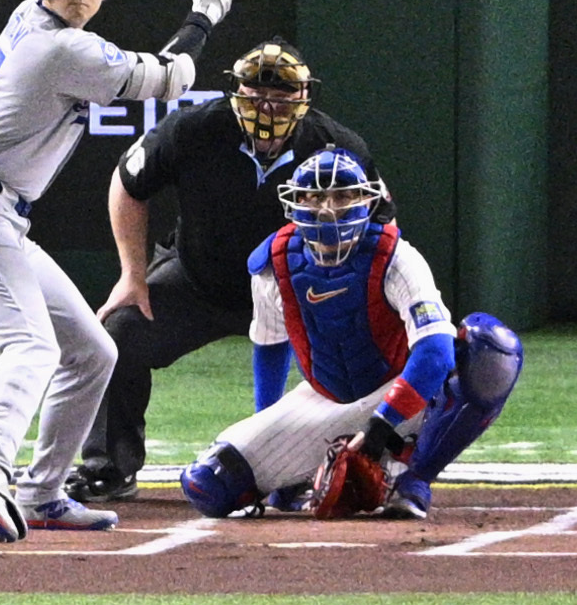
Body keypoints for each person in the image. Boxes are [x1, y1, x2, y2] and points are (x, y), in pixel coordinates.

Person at [0, 0, 233, 541]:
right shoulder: (64, 52)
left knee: (93, 351)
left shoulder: (28, 17)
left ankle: (42, 492)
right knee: (32, 346)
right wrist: (205, 12)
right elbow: (173, 76)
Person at [68, 40, 375, 507]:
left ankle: (302, 469)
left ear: (305, 97)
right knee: (119, 332)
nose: (267, 105)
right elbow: (128, 184)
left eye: (282, 94)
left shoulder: (335, 145)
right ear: (235, 91)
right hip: (198, 280)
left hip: (298, 289)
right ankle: (108, 466)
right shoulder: (196, 128)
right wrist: (132, 275)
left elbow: (379, 220)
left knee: (351, 361)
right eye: (255, 92)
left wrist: (351, 297)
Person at [178, 147, 522, 525]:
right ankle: (318, 477)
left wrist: (381, 426)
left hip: (399, 390)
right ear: (296, 202)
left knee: (492, 348)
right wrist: (272, 431)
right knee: (209, 484)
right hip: (323, 397)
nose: (328, 209)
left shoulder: (396, 257)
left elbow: (436, 353)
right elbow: (270, 345)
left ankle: (414, 478)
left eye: (342, 196)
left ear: (367, 201)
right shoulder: (273, 262)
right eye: (316, 197)